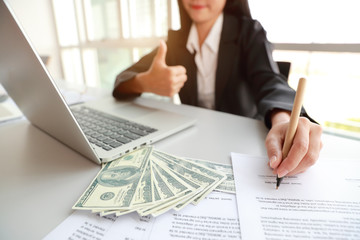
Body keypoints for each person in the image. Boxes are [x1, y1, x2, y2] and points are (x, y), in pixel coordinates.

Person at [112, 0, 323, 178]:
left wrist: (284, 120)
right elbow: (122, 79)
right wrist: (144, 82)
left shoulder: (248, 33)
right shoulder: (176, 41)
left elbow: (270, 81)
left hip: (242, 147)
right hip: (195, 147)